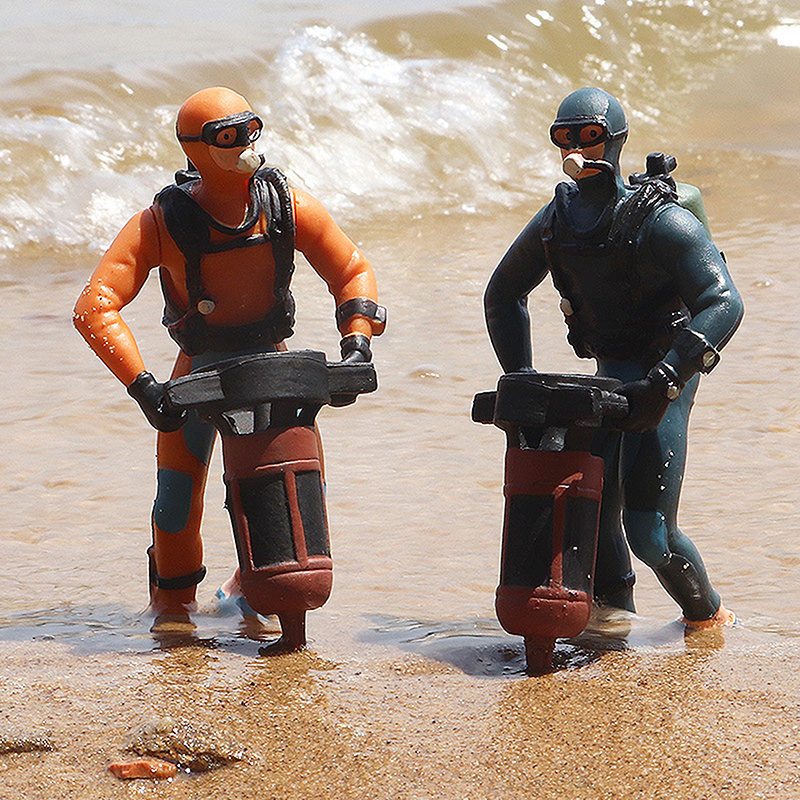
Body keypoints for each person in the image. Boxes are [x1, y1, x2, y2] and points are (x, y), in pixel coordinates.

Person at [74, 87, 385, 628]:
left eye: (250, 129)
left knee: (296, 491)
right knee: (175, 504)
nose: (244, 143)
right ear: (194, 149)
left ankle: (252, 588)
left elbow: (351, 269)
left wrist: (357, 341)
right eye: (227, 135)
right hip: (196, 378)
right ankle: (173, 605)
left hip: (276, 375)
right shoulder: (161, 224)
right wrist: (145, 387)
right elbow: (95, 307)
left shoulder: (287, 207)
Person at [483, 87, 743, 629]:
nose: (577, 149)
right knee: (593, 507)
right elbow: (503, 294)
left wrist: (665, 380)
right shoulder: (556, 221)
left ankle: (707, 616)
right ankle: (613, 618)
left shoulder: (659, 221)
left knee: (649, 532)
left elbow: (722, 301)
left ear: (615, 141)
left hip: (662, 377)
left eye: (590, 136)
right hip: (608, 378)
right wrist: (522, 378)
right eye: (565, 137)